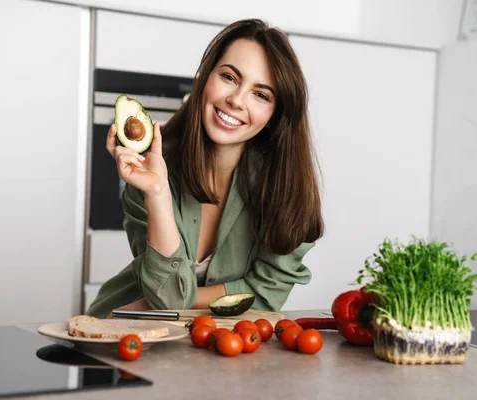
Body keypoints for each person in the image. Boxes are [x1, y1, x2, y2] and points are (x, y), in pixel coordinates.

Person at [87, 19, 324, 319]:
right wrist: (158, 193)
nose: (236, 101)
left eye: (261, 94)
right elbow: (169, 295)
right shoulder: (150, 173)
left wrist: (179, 300)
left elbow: (267, 294)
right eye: (229, 77)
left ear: (275, 116)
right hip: (124, 327)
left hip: (204, 338)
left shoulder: (287, 187)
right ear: (206, 76)